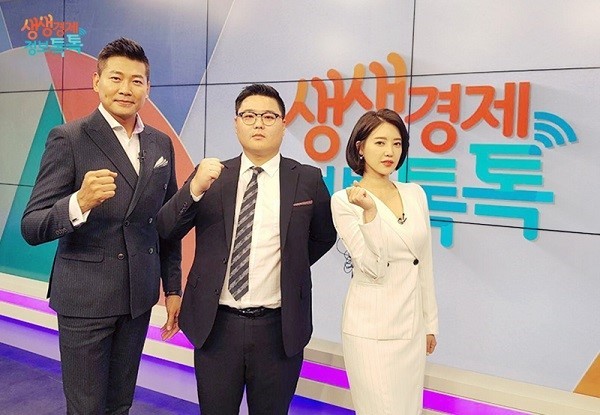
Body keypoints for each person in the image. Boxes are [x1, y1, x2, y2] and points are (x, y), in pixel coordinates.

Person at [20, 38, 182, 414]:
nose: (126, 89)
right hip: (85, 300)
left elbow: (166, 222)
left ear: (148, 87)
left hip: (138, 298)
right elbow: (32, 226)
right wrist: (79, 202)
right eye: (116, 78)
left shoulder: (160, 144)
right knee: (87, 408)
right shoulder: (69, 138)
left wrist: (172, 287)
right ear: (96, 82)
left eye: (136, 81)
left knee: (120, 405)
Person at [157, 83, 337, 415]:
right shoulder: (212, 176)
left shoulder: (307, 179)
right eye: (249, 116)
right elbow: (166, 229)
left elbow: (324, 236)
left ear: (283, 124)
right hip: (216, 326)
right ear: (236, 123)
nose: (258, 124)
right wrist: (193, 189)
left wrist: (290, 266)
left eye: (269, 116)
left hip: (279, 329)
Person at [330, 109, 439, 414]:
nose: (389, 151)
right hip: (372, 330)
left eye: (397, 143)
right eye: (380, 143)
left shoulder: (414, 193)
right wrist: (370, 213)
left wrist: (430, 323)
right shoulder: (345, 200)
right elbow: (373, 267)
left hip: (412, 327)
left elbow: (424, 262)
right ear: (360, 147)